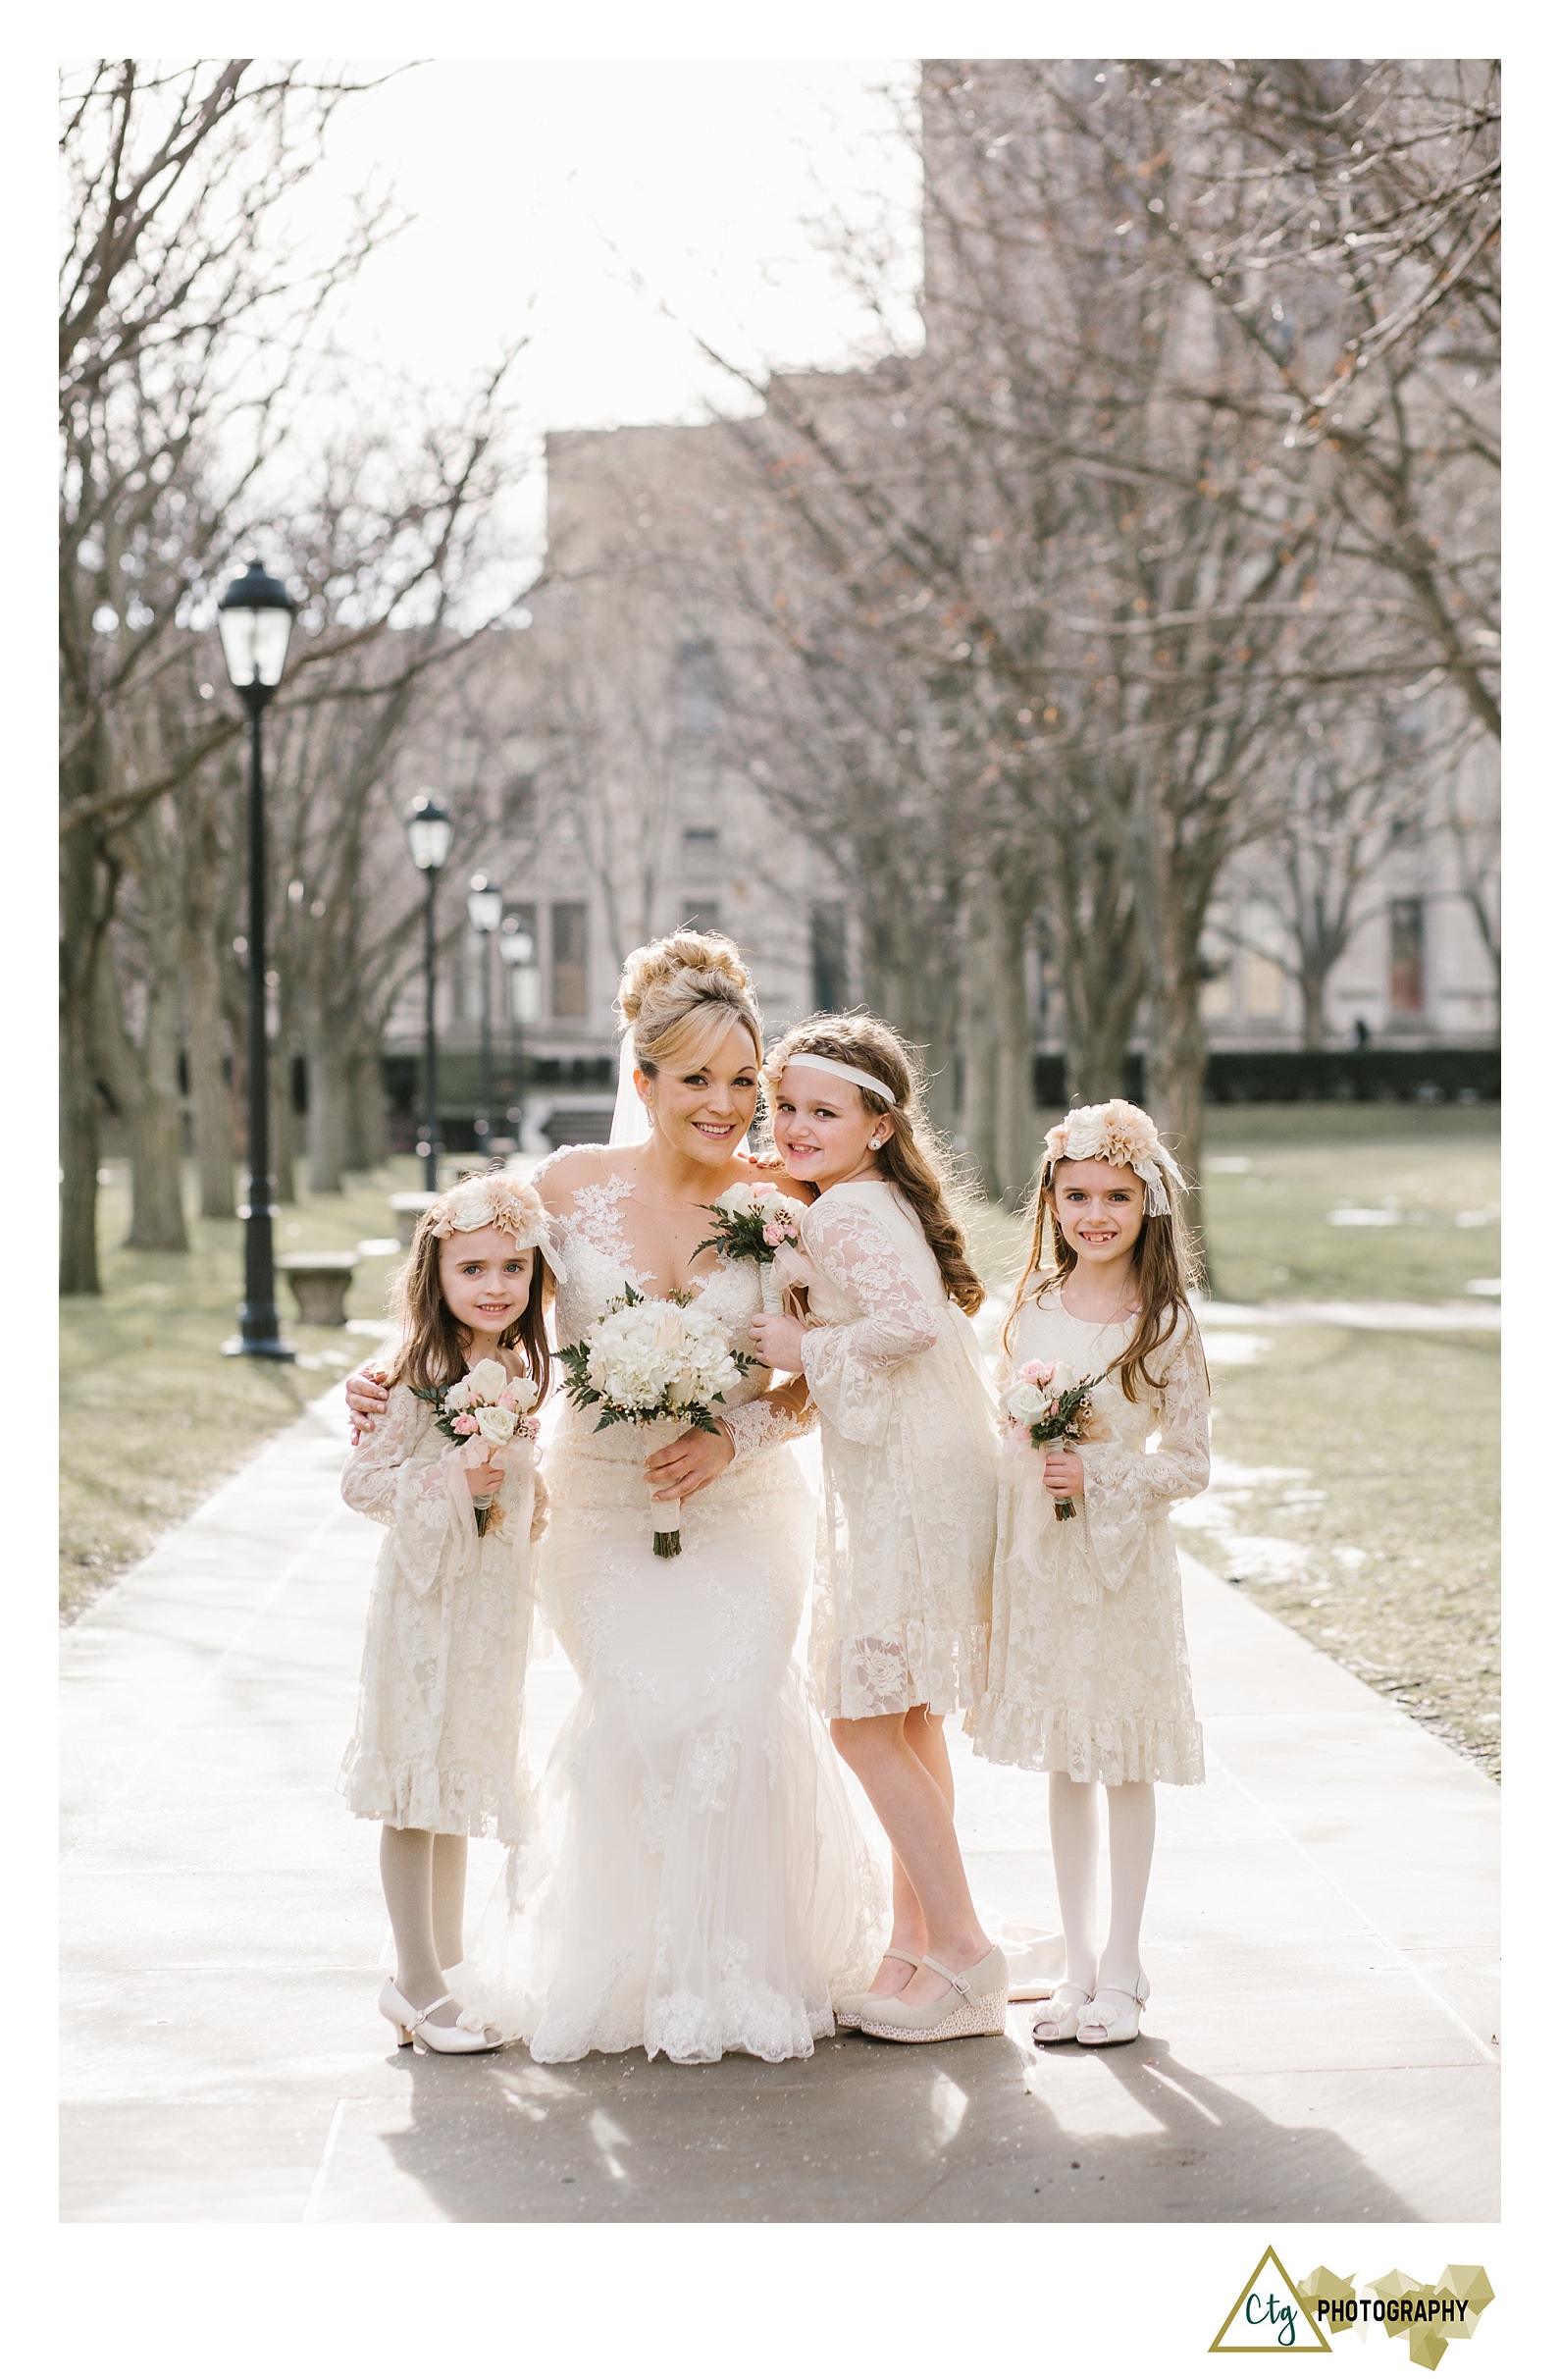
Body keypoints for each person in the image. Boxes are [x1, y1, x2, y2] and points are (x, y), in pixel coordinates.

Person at [346, 930, 884, 2062]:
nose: (726, 1104)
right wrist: (392, 1375)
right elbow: (475, 1292)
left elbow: (834, 1378)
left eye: (745, 1080)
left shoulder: (785, 1207)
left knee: (730, 1715)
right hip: (595, 1510)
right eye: (695, 1078)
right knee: (646, 1717)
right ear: (643, 1082)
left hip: (741, 1513)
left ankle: (731, 1971)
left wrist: (735, 1433)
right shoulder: (567, 1188)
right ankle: (624, 1967)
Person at [749, 1015, 1006, 2045]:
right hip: (928, 1479)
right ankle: (915, 1951)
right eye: (788, 1108)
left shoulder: (846, 1217)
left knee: (862, 1723)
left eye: (824, 1111)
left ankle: (969, 1955)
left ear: (879, 1121)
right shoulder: (867, 1198)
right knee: (907, 1720)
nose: (798, 1126)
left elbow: (908, 1326)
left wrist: (800, 1341)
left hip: (907, 1488)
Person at [965, 1098, 1209, 2048]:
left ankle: (1126, 1963)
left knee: (1122, 1757)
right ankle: (1074, 1965)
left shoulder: (1166, 1322)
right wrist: (1030, 1451)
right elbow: (1008, 1427)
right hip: (1046, 1561)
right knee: (1067, 1757)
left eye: (1114, 1195)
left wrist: (1097, 1470)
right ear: (1052, 1200)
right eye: (1077, 1196)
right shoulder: (1029, 1309)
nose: (1094, 1214)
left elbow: (1188, 1463)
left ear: (1146, 1201)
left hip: (1124, 1568)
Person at [339, 1174, 559, 2054]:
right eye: (473, 1268)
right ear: (437, 1276)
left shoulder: (512, 1368)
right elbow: (362, 1482)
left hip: (485, 1608)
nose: (495, 1285)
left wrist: (522, 1488)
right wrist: (447, 1481)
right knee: (413, 1787)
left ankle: (451, 1972)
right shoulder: (414, 1373)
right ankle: (414, 1981)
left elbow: (511, 1488)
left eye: (513, 1266)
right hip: (425, 1607)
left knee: (459, 1781)